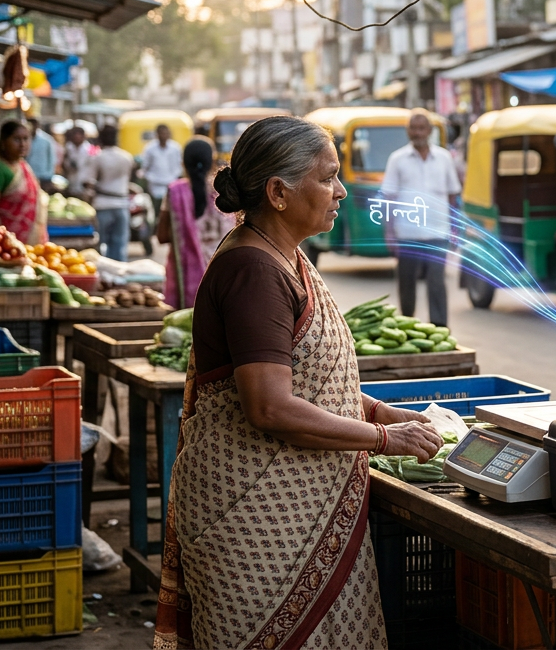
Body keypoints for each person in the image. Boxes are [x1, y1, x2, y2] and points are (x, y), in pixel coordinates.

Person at [153, 116, 443, 649]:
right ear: (279, 193)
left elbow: (308, 383)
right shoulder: (255, 271)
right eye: (328, 177)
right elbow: (271, 407)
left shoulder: (284, 255)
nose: (341, 191)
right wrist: (383, 440)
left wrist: (380, 412)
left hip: (289, 524)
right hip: (256, 527)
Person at [382, 109, 461, 324]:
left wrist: (455, 229)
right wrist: (389, 233)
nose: (417, 133)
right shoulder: (397, 159)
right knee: (406, 283)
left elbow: (453, 195)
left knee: (436, 282)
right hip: (407, 233)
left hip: (438, 232)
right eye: (413, 128)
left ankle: (440, 329)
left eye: (421, 128)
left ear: (430, 131)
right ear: (408, 131)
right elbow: (389, 197)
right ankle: (408, 326)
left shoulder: (444, 158)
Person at [157, 138, 235, 309]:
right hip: (223, 273)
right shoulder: (225, 191)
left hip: (186, 280)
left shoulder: (175, 192)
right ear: (212, 161)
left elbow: (162, 237)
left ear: (183, 163)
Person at [0, 121, 46, 244]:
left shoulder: (23, 166)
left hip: (29, 243)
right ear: (3, 142)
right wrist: (5, 240)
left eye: (26, 139)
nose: (22, 144)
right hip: (5, 243)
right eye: (16, 139)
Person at [86, 125, 135, 261]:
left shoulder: (97, 158)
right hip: (121, 205)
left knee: (99, 244)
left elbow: (90, 182)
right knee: (119, 245)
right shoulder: (126, 157)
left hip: (102, 205)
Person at [140, 123, 185, 215]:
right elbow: (145, 167)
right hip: (155, 186)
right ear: (157, 134)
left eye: (165, 133)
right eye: (161, 133)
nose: (163, 136)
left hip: (171, 184)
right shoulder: (150, 149)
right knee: (157, 213)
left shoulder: (175, 148)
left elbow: (179, 165)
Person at [24, 118, 60, 193]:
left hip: (43, 177)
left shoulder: (46, 140)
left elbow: (52, 159)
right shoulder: (24, 139)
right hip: (27, 176)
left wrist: (49, 176)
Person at [60, 126, 95, 193]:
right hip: (71, 181)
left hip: (84, 182)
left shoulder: (88, 149)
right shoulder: (69, 147)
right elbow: (64, 163)